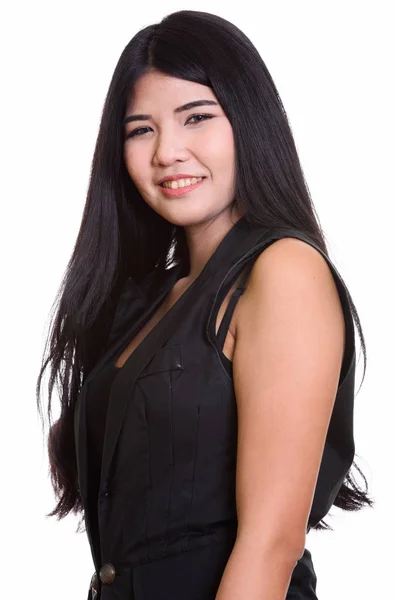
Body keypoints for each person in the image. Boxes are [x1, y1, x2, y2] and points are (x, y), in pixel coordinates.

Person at [37, 9, 373, 600]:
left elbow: (271, 543)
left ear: (249, 121)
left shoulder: (283, 271)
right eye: (141, 129)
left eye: (197, 118)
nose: (168, 151)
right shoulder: (148, 302)